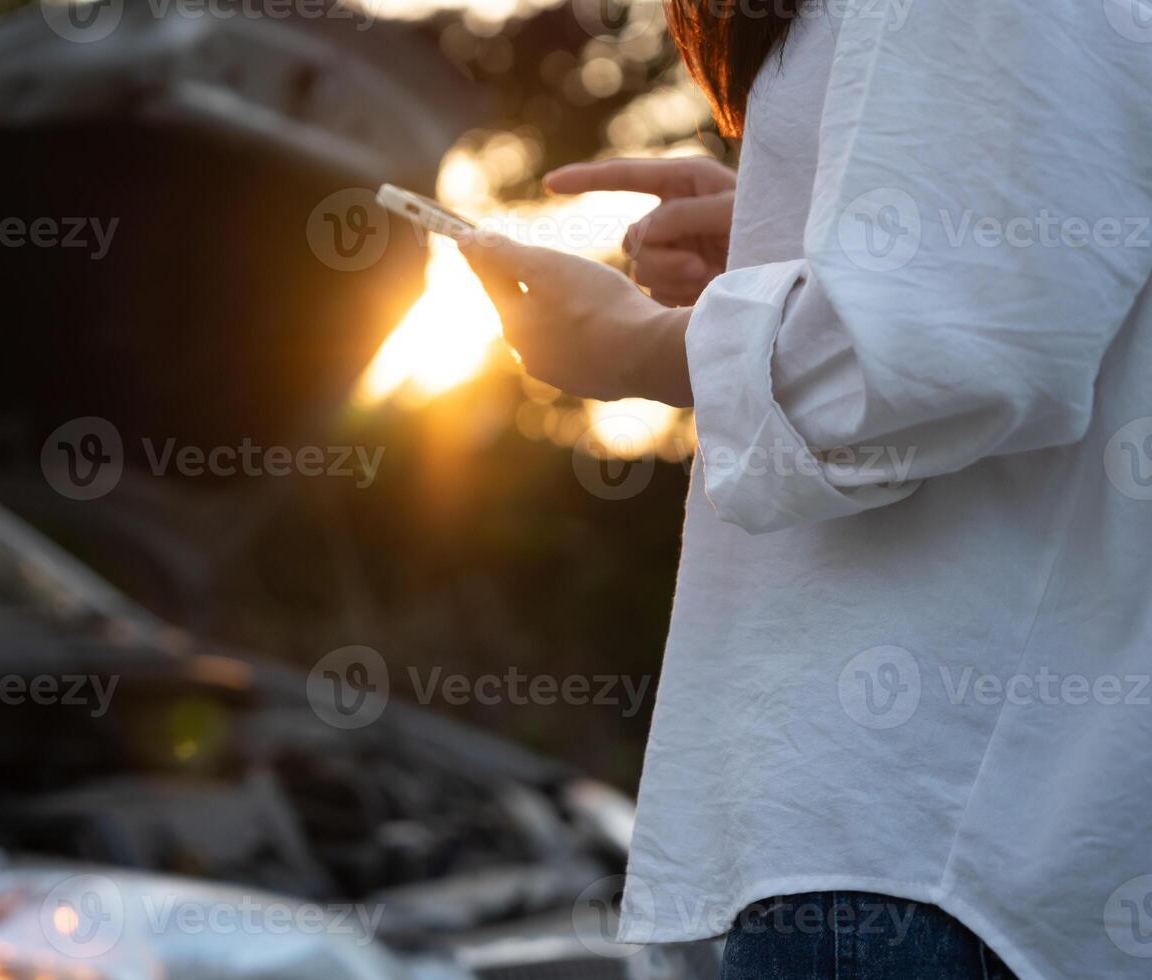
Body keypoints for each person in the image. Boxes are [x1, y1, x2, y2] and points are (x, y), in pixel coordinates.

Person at [457, 1, 1152, 978]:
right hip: (982, 851)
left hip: (925, 841)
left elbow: (927, 352)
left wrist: (634, 345)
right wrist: (808, 227)